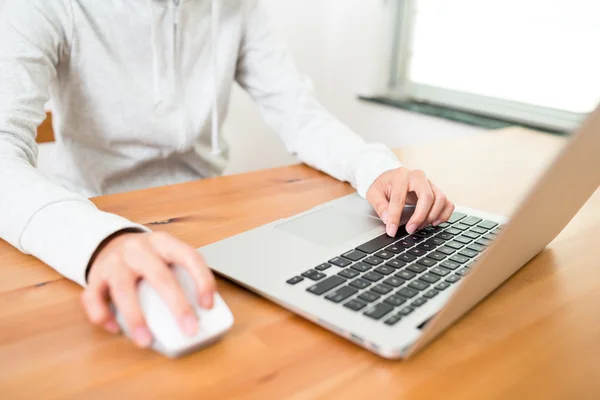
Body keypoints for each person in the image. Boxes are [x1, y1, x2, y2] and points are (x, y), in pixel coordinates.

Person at [0, 0, 455, 349]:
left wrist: (376, 168)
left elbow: (298, 113)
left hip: (211, 221)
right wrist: (99, 240)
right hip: (92, 218)